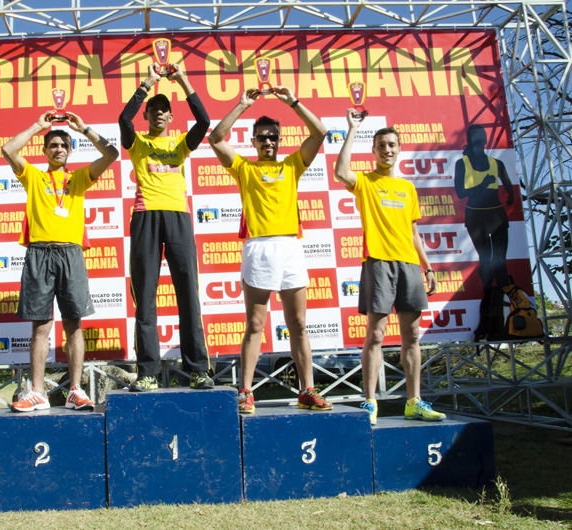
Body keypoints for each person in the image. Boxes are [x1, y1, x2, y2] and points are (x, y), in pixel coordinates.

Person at [209, 87, 331, 414]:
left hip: (290, 246)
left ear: (279, 140)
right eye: (262, 137)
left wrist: (292, 101)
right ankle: (245, 391)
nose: (268, 142)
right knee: (254, 324)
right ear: (253, 141)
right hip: (259, 247)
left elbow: (320, 132)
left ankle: (307, 390)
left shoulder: (293, 165)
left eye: (273, 137)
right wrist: (243, 104)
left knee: (299, 324)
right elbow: (216, 138)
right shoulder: (244, 169)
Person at [2, 111, 119, 411]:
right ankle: (38, 391)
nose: (58, 150)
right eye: (52, 145)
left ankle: (76, 390)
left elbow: (112, 154)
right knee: (40, 328)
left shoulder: (79, 178)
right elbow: (8, 150)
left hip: (70, 253)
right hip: (39, 253)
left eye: (63, 146)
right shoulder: (34, 176)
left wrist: (84, 128)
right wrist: (38, 126)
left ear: (70, 150)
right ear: (44, 150)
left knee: (73, 326)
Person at [334, 110, 444, 424]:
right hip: (378, 262)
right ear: (374, 150)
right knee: (377, 334)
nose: (387, 149)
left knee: (412, 336)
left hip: (409, 264)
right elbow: (341, 170)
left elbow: (413, 233)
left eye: (392, 144)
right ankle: (369, 401)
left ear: (399, 149)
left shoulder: (408, 189)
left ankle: (414, 401)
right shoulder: (366, 182)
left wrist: (429, 267)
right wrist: (352, 128)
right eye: (381, 145)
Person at [119, 63, 213, 391]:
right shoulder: (137, 143)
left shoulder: (180, 145)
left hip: (178, 217)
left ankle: (198, 369)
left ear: (171, 117)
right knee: (145, 298)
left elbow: (204, 121)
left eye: (165, 110)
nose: (159, 114)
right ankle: (147, 373)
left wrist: (184, 80)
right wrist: (148, 83)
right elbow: (122, 120)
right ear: (147, 115)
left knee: (188, 293)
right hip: (145, 217)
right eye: (153, 110)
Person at [454, 124, 515, 325]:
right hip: (476, 216)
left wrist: (511, 195)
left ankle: (510, 306)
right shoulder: (462, 163)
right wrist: (482, 185)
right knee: (485, 259)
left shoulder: (496, 163)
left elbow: (507, 184)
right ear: (470, 140)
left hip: (496, 215)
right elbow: (461, 192)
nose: (479, 139)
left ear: (486, 139)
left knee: (500, 261)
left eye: (481, 135)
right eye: (475, 136)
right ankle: (489, 300)